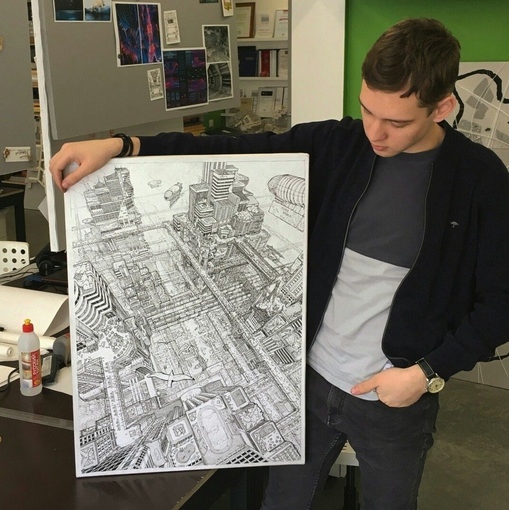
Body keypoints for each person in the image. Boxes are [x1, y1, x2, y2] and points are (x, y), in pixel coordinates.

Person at [49, 18, 509, 510]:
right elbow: (233, 148)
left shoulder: (479, 181)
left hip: (393, 400)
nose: (375, 132)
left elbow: (501, 303)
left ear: (442, 108)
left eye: (396, 123)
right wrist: (124, 146)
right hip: (303, 383)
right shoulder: (338, 146)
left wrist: (426, 373)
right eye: (367, 110)